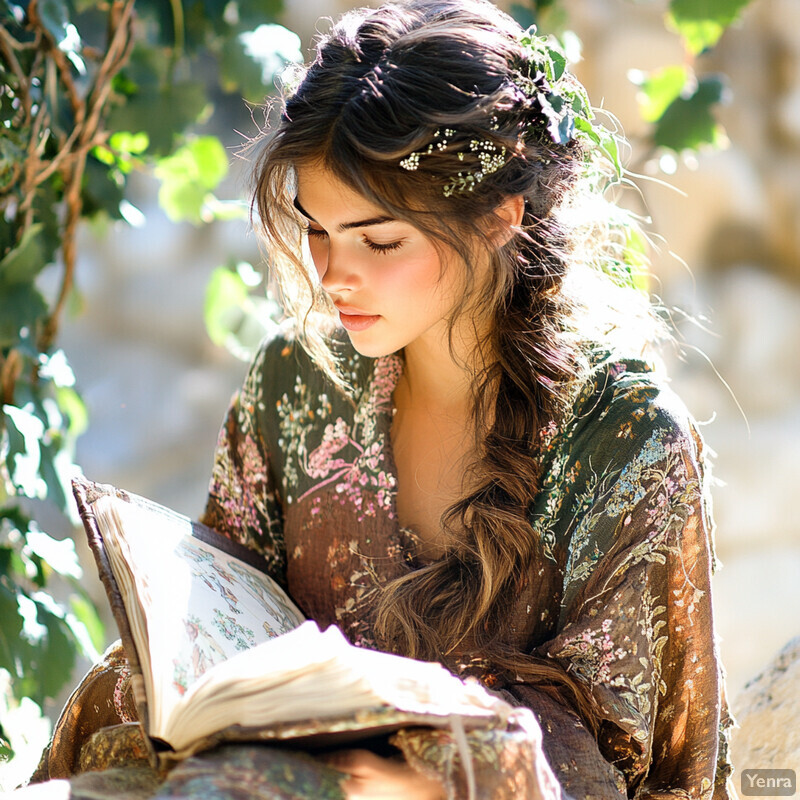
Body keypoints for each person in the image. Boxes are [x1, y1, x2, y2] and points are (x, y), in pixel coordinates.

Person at [29, 1, 736, 798]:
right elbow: (219, 647)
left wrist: (426, 777)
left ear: (502, 215)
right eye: (317, 229)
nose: (333, 275)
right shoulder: (295, 385)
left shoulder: (629, 442)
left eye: (380, 239)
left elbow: (628, 758)